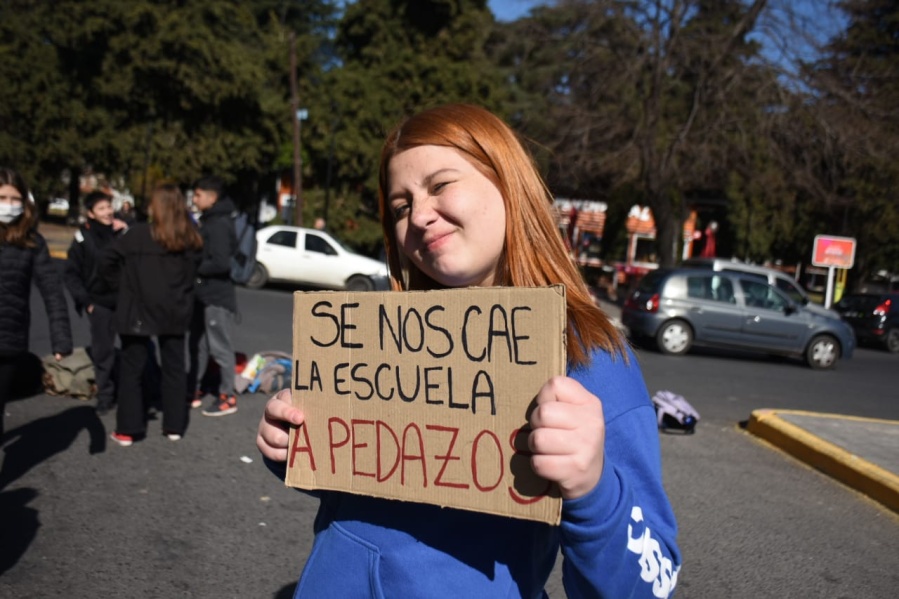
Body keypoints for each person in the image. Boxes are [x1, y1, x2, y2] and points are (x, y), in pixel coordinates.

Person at [255, 105, 681, 597]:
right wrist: (298, 444)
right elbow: (369, 491)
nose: (419, 216)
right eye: (400, 206)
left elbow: (650, 586)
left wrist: (594, 490)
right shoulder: (382, 338)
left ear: (508, 184)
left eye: (440, 185)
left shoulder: (591, 356)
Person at [102, 183, 202, 446]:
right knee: (174, 369)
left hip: (137, 308)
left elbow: (107, 261)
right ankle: (174, 426)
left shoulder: (136, 235)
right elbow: (194, 273)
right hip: (175, 309)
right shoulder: (190, 238)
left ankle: (128, 428)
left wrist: (122, 287)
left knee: (132, 370)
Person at [0, 167, 73, 436]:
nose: (9, 205)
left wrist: (61, 338)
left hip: (9, 340)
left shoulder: (32, 241)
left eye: (15, 199)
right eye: (3, 198)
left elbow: (52, 290)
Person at [64, 191, 129, 415]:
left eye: (109, 207)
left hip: (125, 302)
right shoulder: (83, 238)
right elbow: (71, 274)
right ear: (91, 213)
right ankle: (105, 396)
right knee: (104, 352)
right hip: (99, 303)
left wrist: (126, 230)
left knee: (135, 349)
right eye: (101, 208)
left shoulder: (121, 232)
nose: (108, 212)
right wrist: (86, 301)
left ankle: (134, 392)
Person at [186, 175, 239, 416]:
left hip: (217, 296)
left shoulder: (219, 224)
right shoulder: (210, 220)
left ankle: (228, 396)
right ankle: (194, 389)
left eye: (198, 195)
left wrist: (195, 267)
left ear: (212, 197)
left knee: (220, 347)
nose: (194, 199)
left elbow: (220, 262)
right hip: (203, 294)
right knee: (198, 345)